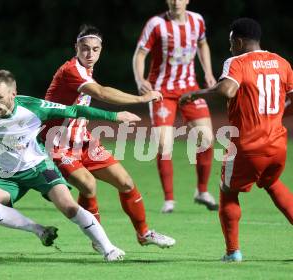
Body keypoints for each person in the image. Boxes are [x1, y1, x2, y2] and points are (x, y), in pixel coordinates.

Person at [0, 69, 142, 261]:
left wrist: (114, 117)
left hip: (40, 169)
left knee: (69, 207)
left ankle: (109, 249)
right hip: (8, 175)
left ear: (13, 94)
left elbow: (75, 110)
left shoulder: (34, 107)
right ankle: (39, 230)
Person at [42, 24, 175, 250]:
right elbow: (102, 93)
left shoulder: (86, 70)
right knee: (89, 185)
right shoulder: (71, 70)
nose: (90, 54)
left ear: (101, 49)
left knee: (126, 182)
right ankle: (99, 239)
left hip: (83, 141)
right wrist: (141, 99)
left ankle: (144, 234)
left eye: (95, 49)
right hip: (57, 144)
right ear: (76, 48)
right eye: (85, 49)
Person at [180, 18, 293, 262]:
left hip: (247, 147)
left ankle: (233, 252)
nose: (230, 47)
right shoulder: (282, 63)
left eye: (231, 43)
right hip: (278, 145)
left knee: (227, 193)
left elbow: (226, 91)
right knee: (272, 184)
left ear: (239, 41)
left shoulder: (237, 62)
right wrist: (275, 114)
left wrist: (194, 94)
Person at [132, 0, 218, 213]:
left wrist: (208, 72)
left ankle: (202, 191)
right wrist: (140, 79)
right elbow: (140, 53)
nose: (175, 2)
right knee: (164, 144)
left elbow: (203, 43)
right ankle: (169, 199)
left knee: (207, 138)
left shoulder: (197, 20)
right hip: (162, 91)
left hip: (190, 89)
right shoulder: (156, 24)